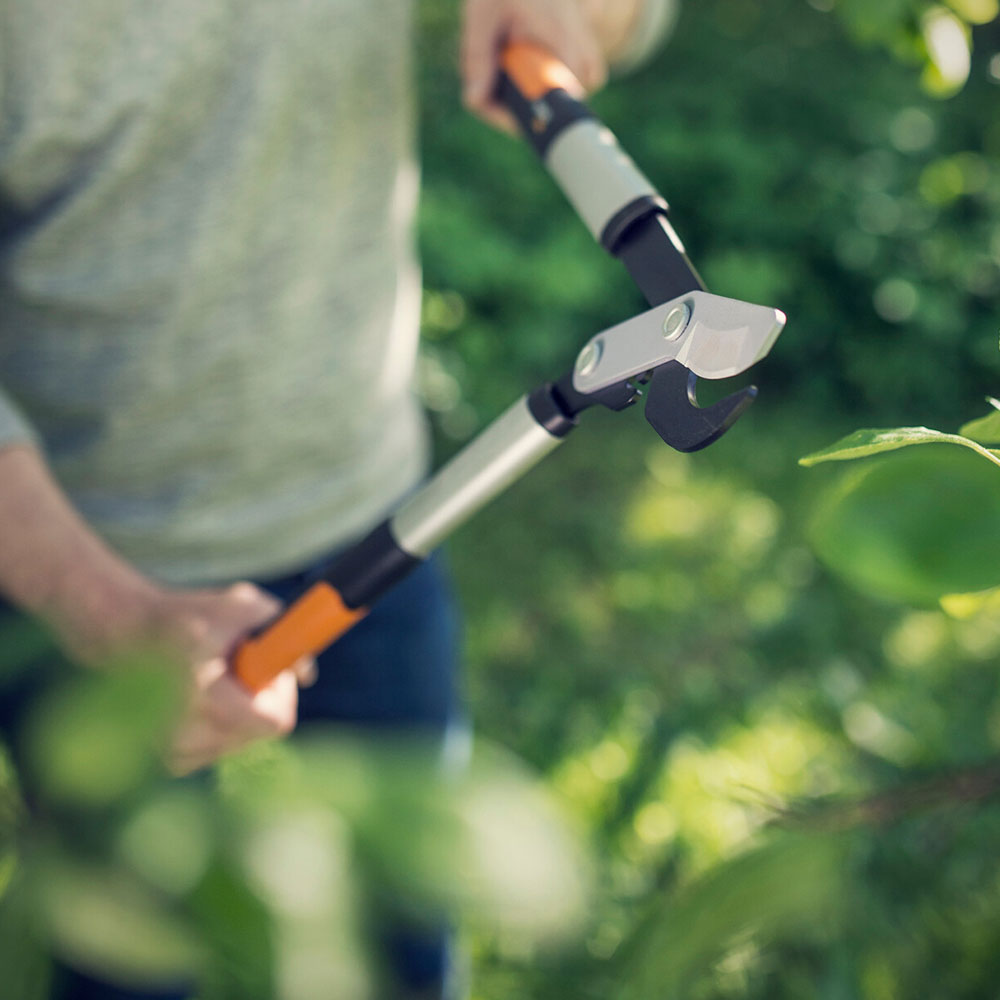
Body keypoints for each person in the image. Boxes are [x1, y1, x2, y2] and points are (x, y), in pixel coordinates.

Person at [0, 1, 677, 996]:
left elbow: (628, 20)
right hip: (76, 566)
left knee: (402, 945)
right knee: (123, 965)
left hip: (374, 518)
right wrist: (100, 606)